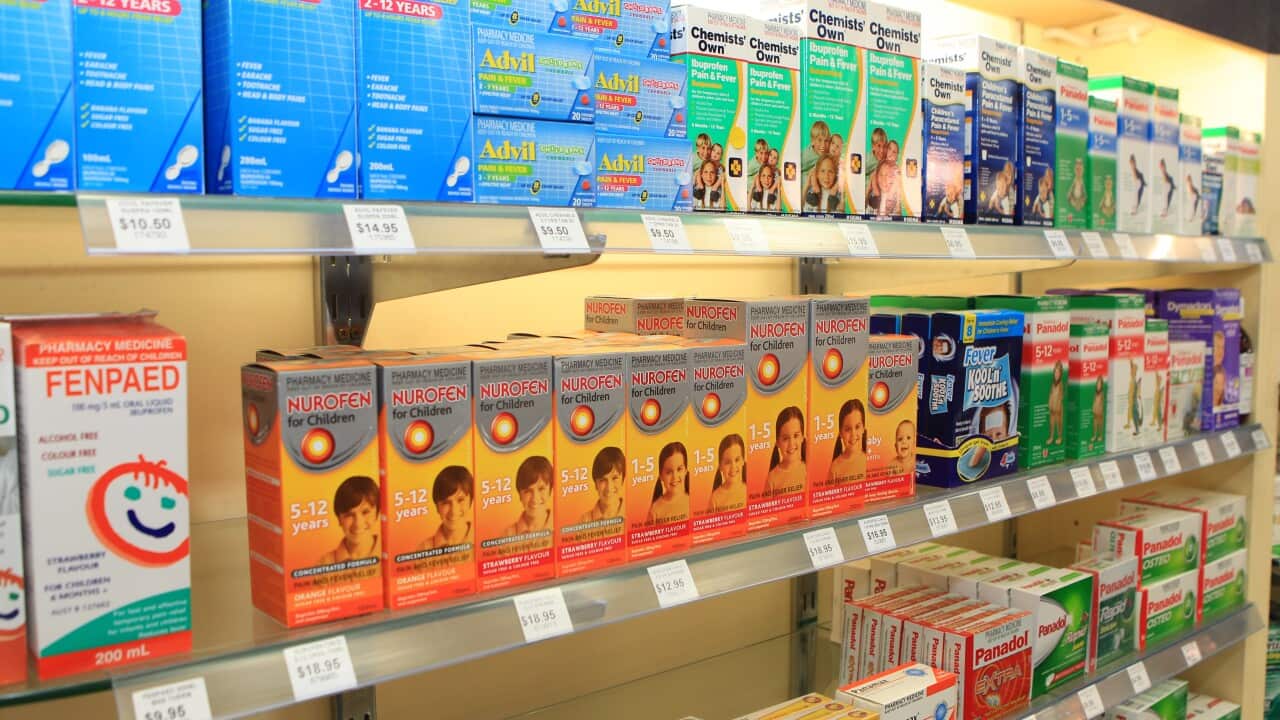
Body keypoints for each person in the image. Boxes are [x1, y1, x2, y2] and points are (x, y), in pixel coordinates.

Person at [320, 475, 380, 563]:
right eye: (349, 515)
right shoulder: (324, 564)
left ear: (377, 513)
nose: (358, 524)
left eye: (365, 512)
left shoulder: (393, 550)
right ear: (339, 519)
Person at [421, 466, 473, 550]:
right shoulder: (423, 549)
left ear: (471, 500)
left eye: (460, 500)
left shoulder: (487, 537)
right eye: (445, 503)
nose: (454, 511)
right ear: (437, 507)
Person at [503, 456, 553, 537]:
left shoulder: (564, 525)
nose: (535, 498)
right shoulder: (507, 536)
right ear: (520, 495)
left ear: (550, 490)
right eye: (528, 491)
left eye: (541, 489)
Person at [765, 406, 806, 496]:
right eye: (785, 438)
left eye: (796, 436)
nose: (791, 444)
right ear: (777, 442)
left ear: (802, 437)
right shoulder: (772, 478)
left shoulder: (809, 470)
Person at [647, 442, 690, 525]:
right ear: (661, 476)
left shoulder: (692, 501)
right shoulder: (655, 510)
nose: (675, 477)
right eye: (669, 472)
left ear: (685, 470)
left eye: (679, 469)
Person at [579, 446, 625, 523]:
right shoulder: (584, 522)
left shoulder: (634, 513)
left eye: (614, 478)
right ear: (596, 484)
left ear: (623, 479)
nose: (609, 487)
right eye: (603, 480)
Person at [827, 400, 866, 486]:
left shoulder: (869, 459)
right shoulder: (835, 467)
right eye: (848, 429)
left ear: (863, 428)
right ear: (840, 433)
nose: (853, 434)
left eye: (857, 427)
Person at [707, 434, 746, 513]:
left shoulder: (749, 490)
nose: (733, 467)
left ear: (743, 461)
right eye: (728, 462)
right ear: (720, 466)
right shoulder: (715, 498)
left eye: (737, 460)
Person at [866, 128, 888, 210]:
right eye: (879, 146)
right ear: (873, 146)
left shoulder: (885, 160)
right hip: (868, 191)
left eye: (884, 146)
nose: (882, 151)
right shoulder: (868, 159)